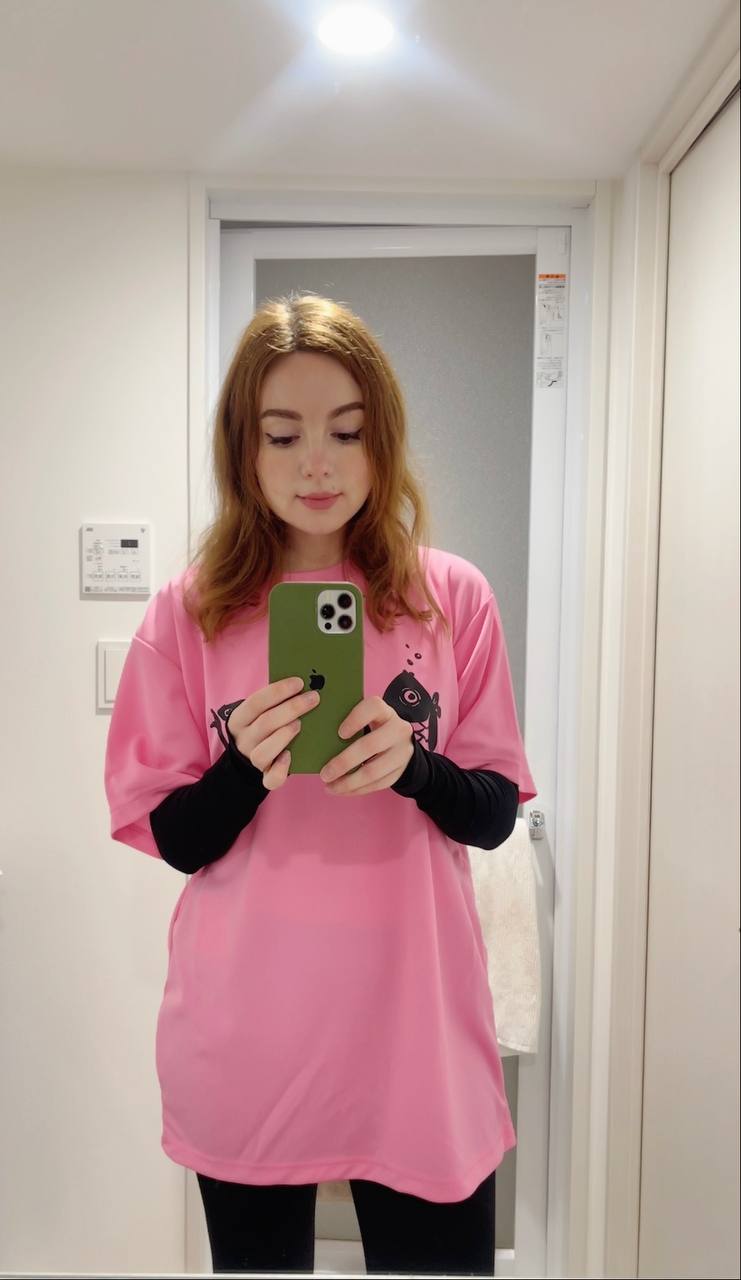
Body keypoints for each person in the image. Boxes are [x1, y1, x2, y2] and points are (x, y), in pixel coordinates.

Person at [104, 292, 537, 1276]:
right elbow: (175, 837)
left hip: (416, 1030)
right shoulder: (189, 612)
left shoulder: (449, 597)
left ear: (382, 442)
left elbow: (494, 812)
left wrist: (414, 768)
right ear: (242, 449)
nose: (317, 463)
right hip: (249, 1029)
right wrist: (243, 770)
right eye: (282, 433)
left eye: (346, 431)